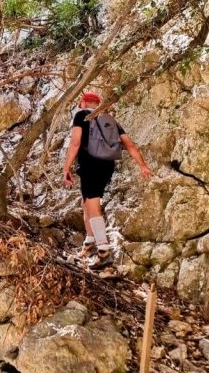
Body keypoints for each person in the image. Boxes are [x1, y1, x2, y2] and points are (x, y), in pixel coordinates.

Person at [63, 91, 153, 269]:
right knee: (86, 202)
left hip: (90, 165)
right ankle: (89, 244)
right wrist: (143, 165)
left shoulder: (82, 115)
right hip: (107, 166)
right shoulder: (110, 120)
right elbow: (129, 145)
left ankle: (104, 253)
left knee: (93, 206)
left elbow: (75, 143)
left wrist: (66, 167)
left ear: (83, 102)